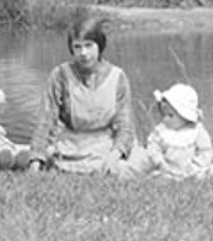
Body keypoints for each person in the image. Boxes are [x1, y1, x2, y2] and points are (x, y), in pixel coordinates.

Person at [30, 13, 137, 174]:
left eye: (89, 45)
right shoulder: (60, 75)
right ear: (71, 49)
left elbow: (125, 125)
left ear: (100, 46)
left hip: (106, 145)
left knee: (128, 166)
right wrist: (36, 159)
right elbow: (46, 120)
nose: (84, 53)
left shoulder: (118, 77)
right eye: (77, 47)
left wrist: (115, 155)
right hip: (70, 148)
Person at [137, 82, 213, 182]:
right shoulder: (162, 130)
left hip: (191, 169)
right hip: (169, 169)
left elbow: (206, 151)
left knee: (206, 172)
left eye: (170, 115)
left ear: (185, 117)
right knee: (158, 176)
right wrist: (160, 161)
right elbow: (153, 146)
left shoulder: (196, 131)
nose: (165, 119)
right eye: (163, 114)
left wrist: (196, 165)